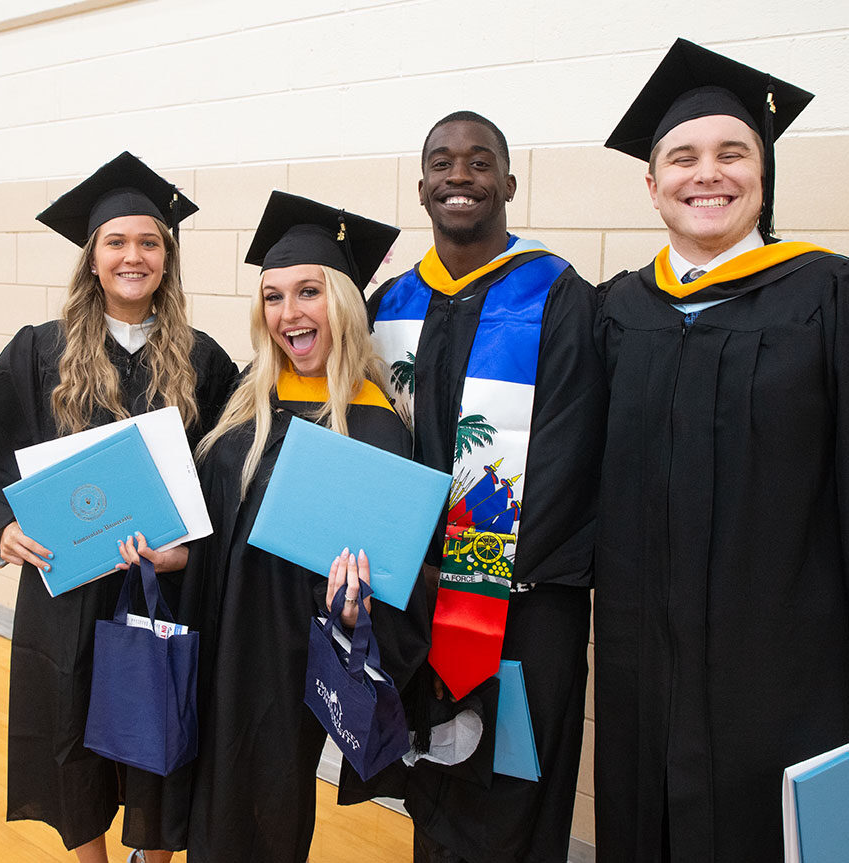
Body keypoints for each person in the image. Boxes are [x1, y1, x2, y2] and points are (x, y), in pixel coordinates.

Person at [594, 38, 849, 862]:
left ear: (761, 174)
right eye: (682, 158)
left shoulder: (826, 294)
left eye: (731, 153)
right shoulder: (615, 311)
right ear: (652, 181)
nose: (707, 174)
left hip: (785, 663)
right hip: (641, 664)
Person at [149, 191, 429, 863]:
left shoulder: (374, 427)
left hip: (278, 665)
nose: (287, 313)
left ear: (341, 303)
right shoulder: (248, 400)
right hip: (211, 641)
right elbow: (220, 529)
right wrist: (178, 559)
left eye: (308, 291)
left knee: (257, 818)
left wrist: (352, 604)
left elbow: (394, 586)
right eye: (272, 296)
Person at [365, 111, 608, 863]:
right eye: (442, 163)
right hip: (417, 592)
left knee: (514, 779)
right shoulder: (389, 304)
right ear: (422, 186)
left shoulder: (560, 298)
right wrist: (417, 574)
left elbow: (573, 454)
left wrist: (474, 576)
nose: (459, 177)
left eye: (478, 163)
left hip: (526, 599)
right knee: (433, 772)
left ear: (507, 182)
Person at [0, 151, 238, 863]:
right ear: (92, 258)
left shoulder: (205, 360)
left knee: (163, 732)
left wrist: (190, 551)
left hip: (165, 582)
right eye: (116, 242)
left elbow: (228, 485)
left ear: (169, 258)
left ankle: (151, 858)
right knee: (71, 732)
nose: (134, 256)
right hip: (68, 591)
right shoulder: (40, 352)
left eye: (149, 242)